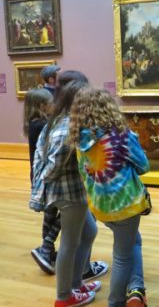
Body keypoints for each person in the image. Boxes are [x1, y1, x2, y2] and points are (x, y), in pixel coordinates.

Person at [70, 86, 150, 307]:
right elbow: (144, 166)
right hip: (126, 205)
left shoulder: (79, 139)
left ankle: (137, 290)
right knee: (122, 256)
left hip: (100, 206)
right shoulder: (121, 136)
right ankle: (116, 301)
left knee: (133, 241)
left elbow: (82, 172)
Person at [30, 79, 101, 307]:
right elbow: (51, 166)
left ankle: (76, 284)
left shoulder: (60, 122)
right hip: (68, 194)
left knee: (89, 232)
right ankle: (64, 297)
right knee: (70, 243)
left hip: (74, 191)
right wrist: (45, 186)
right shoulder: (66, 128)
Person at [23, 88, 60, 274]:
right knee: (57, 213)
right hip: (45, 176)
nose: (54, 105)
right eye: (51, 103)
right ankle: (46, 247)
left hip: (41, 175)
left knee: (51, 213)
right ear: (41, 106)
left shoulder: (35, 123)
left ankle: (47, 250)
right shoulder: (40, 125)